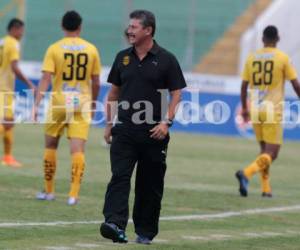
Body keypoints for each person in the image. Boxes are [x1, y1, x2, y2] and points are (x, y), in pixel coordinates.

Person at [100, 10, 186, 244]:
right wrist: (109, 124)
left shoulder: (167, 59)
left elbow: (177, 93)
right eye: (130, 26)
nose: (129, 30)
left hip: (154, 133)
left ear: (148, 30)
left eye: (134, 27)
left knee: (149, 185)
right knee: (119, 177)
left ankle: (145, 232)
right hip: (125, 130)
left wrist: (166, 122)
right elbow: (113, 94)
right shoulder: (122, 58)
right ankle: (114, 223)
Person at [33, 11, 101, 205]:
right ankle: (73, 195)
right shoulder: (91, 49)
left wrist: (36, 105)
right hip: (82, 102)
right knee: (77, 150)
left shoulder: (54, 48)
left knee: (51, 145)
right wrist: (94, 103)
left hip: (60, 102)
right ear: (80, 27)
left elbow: (46, 78)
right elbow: (96, 81)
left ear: (62, 27)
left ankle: (49, 192)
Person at [236, 25, 300, 197]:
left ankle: (266, 189)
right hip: (273, 109)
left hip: (256, 108)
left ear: (263, 39)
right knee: (273, 153)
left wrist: (244, 108)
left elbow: (243, 86)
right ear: (277, 39)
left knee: (264, 151)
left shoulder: (252, 58)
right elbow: (295, 84)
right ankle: (246, 173)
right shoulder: (282, 58)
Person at [0, 18, 35, 167]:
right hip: (3, 88)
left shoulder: (2, 42)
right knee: (7, 123)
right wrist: (29, 84)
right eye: (21, 30)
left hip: (4, 88)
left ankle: (7, 156)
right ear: (15, 29)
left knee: (9, 122)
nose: (22, 33)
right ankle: (7, 156)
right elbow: (14, 67)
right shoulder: (13, 43)